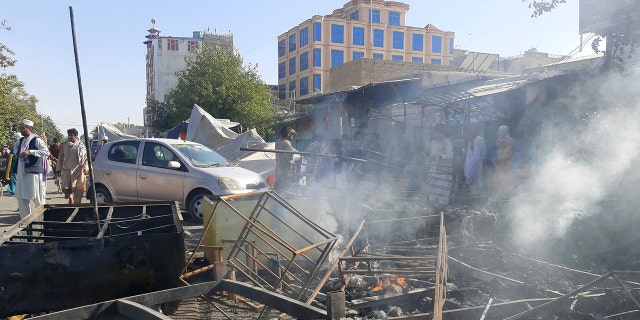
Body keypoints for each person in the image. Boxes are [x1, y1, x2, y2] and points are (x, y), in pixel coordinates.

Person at [13, 119, 50, 219]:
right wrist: (17, 153)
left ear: (29, 129)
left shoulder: (36, 140)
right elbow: (15, 147)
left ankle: (41, 222)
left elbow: (46, 152)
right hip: (22, 172)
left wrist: (30, 152)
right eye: (21, 128)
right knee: (21, 197)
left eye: (23, 128)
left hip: (33, 173)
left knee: (38, 198)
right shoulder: (21, 140)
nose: (21, 130)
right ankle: (26, 223)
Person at [57, 128, 89, 204]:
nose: (70, 137)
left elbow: (85, 158)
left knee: (79, 189)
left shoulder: (81, 146)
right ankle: (70, 196)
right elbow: (60, 157)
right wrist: (58, 169)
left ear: (76, 136)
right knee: (66, 187)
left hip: (78, 170)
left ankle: (76, 205)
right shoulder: (64, 145)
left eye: (71, 135)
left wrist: (86, 167)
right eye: (69, 135)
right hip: (67, 169)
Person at [427, 124, 454, 206]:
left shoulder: (447, 143)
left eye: (441, 131)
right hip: (434, 171)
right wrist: (431, 158)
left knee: (443, 193)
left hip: (444, 173)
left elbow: (450, 156)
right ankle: (432, 209)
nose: (439, 133)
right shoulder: (432, 143)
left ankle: (442, 211)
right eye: (438, 131)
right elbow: (429, 154)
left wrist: (441, 156)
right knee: (432, 191)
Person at [464, 124, 487, 201]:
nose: (468, 134)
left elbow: (483, 153)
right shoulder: (470, 141)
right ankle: (473, 197)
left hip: (478, 165)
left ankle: (477, 198)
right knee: (470, 179)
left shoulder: (479, 139)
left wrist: (484, 164)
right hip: (470, 165)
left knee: (477, 181)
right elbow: (468, 156)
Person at [492, 125, 514, 204]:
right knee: (498, 180)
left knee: (505, 180)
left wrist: (500, 159)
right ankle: (499, 197)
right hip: (499, 165)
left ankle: (505, 199)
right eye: (499, 131)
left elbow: (506, 154)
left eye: (502, 131)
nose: (500, 133)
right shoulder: (499, 141)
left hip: (505, 165)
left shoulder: (509, 141)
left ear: (506, 132)